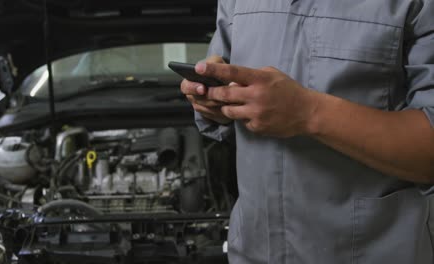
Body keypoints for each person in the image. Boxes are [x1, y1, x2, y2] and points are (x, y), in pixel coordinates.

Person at [180, 1, 434, 263]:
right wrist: (213, 98)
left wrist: (307, 112)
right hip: (253, 252)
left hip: (374, 253)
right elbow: (225, 77)